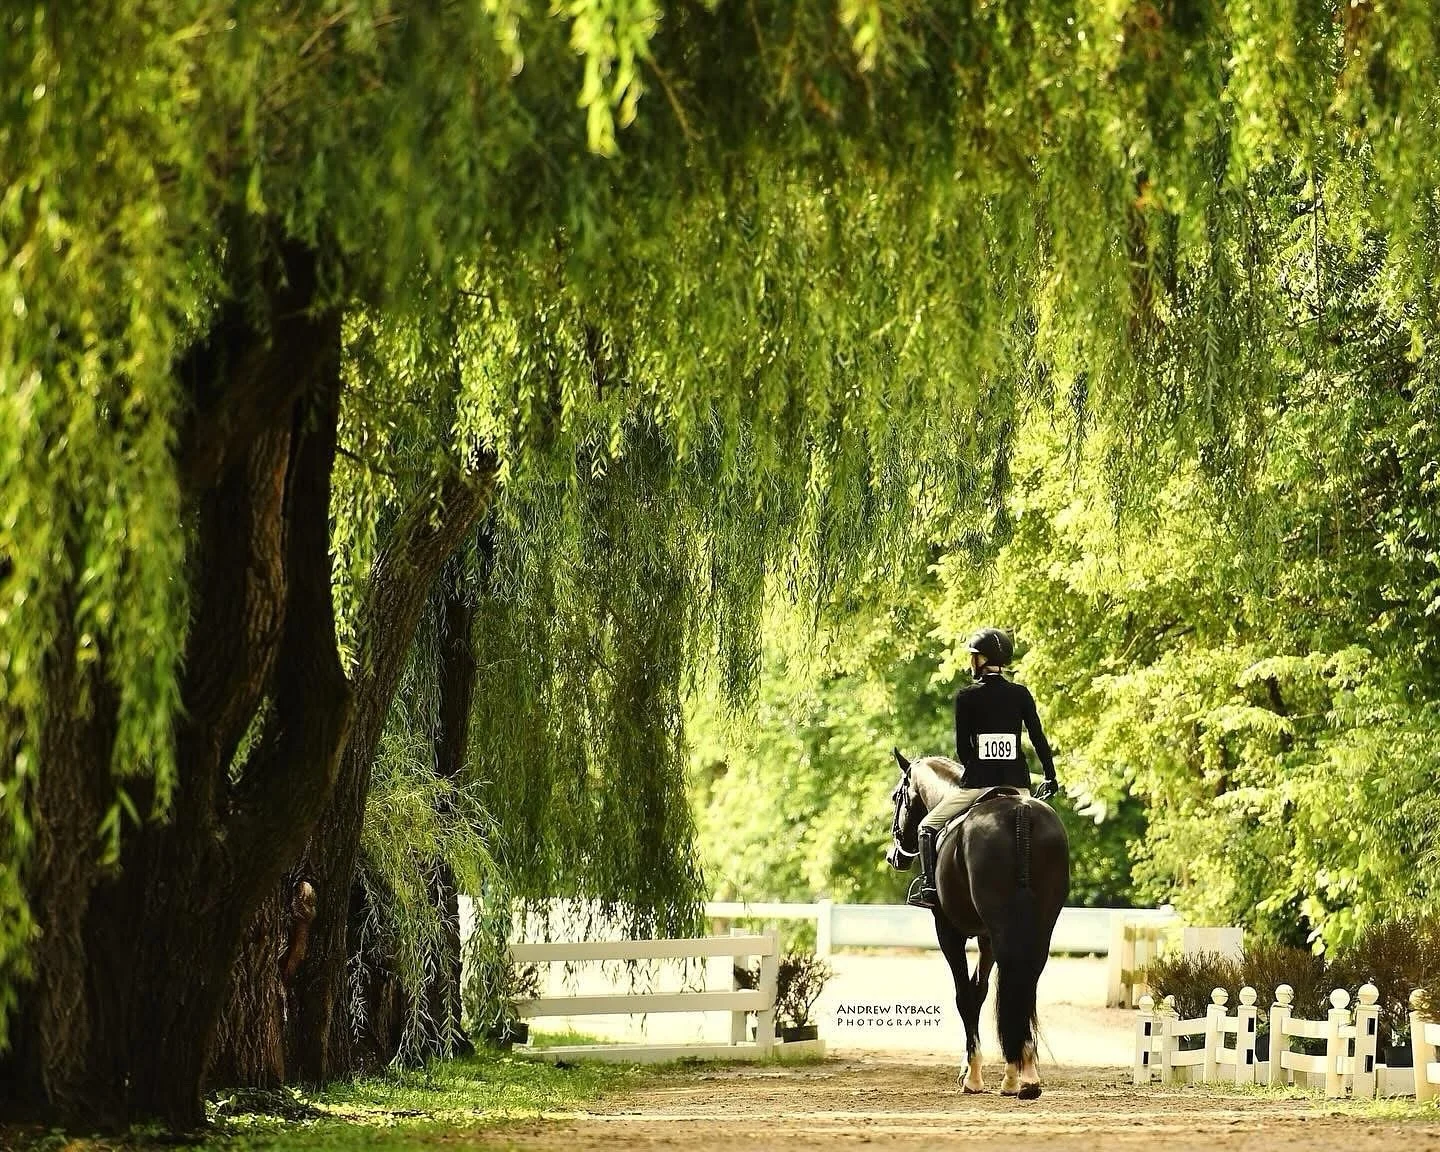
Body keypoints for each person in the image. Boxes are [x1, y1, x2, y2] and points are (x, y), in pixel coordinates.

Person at [907, 627, 1060, 910]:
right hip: (1018, 786)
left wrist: (976, 770)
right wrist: (1050, 776)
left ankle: (929, 887)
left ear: (982, 660)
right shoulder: (1021, 694)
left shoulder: (967, 697)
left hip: (979, 784)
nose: (971, 662)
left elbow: (963, 748)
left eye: (974, 657)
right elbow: (1038, 738)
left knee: (926, 827)